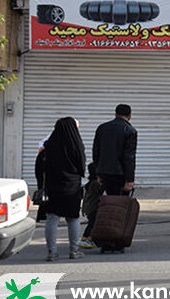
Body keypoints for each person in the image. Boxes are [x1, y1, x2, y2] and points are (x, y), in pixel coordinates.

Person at [89, 104, 137, 251]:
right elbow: (129, 157)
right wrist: (129, 180)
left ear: (115, 114)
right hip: (121, 174)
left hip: (104, 172)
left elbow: (95, 152)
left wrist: (98, 173)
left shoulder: (102, 128)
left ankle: (105, 242)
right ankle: (116, 241)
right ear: (129, 116)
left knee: (107, 206)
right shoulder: (130, 130)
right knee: (119, 208)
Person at [38, 117, 87, 261]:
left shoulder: (49, 145)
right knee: (73, 218)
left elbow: (40, 166)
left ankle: (52, 252)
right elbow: (81, 165)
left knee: (52, 218)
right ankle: (74, 250)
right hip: (71, 186)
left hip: (53, 186)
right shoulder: (76, 144)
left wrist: (42, 183)